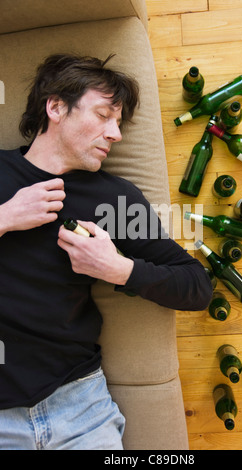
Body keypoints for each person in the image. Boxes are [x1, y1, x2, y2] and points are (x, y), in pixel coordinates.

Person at [0, 53, 212, 450]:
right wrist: (5, 217)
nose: (115, 134)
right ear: (56, 107)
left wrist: (119, 269)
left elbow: (198, 286)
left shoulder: (113, 198)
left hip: (79, 407)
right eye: (103, 116)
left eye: (119, 123)